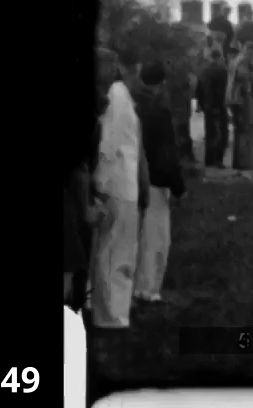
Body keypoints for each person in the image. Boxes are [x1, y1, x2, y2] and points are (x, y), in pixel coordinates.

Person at [91, 44, 150, 328]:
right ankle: (111, 314)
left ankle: (112, 309)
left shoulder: (120, 96)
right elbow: (110, 144)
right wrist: (100, 184)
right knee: (116, 250)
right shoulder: (117, 96)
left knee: (115, 249)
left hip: (122, 182)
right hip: (117, 184)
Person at [132, 60, 187, 304]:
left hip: (129, 178)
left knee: (133, 235)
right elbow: (167, 152)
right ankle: (148, 289)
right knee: (155, 238)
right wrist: (178, 186)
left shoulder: (130, 103)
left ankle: (131, 286)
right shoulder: (158, 110)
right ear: (162, 84)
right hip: (155, 180)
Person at [226, 42, 253, 169]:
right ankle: (244, 162)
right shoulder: (243, 61)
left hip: (236, 98)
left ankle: (241, 161)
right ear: (249, 51)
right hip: (241, 98)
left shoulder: (236, 60)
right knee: (245, 129)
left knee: (241, 130)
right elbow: (243, 75)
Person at [197, 49, 229, 168]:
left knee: (210, 134)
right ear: (220, 57)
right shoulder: (222, 70)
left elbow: (198, 89)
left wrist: (201, 104)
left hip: (207, 107)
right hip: (218, 106)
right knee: (221, 135)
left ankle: (209, 160)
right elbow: (221, 90)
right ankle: (218, 160)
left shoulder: (203, 70)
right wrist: (221, 105)